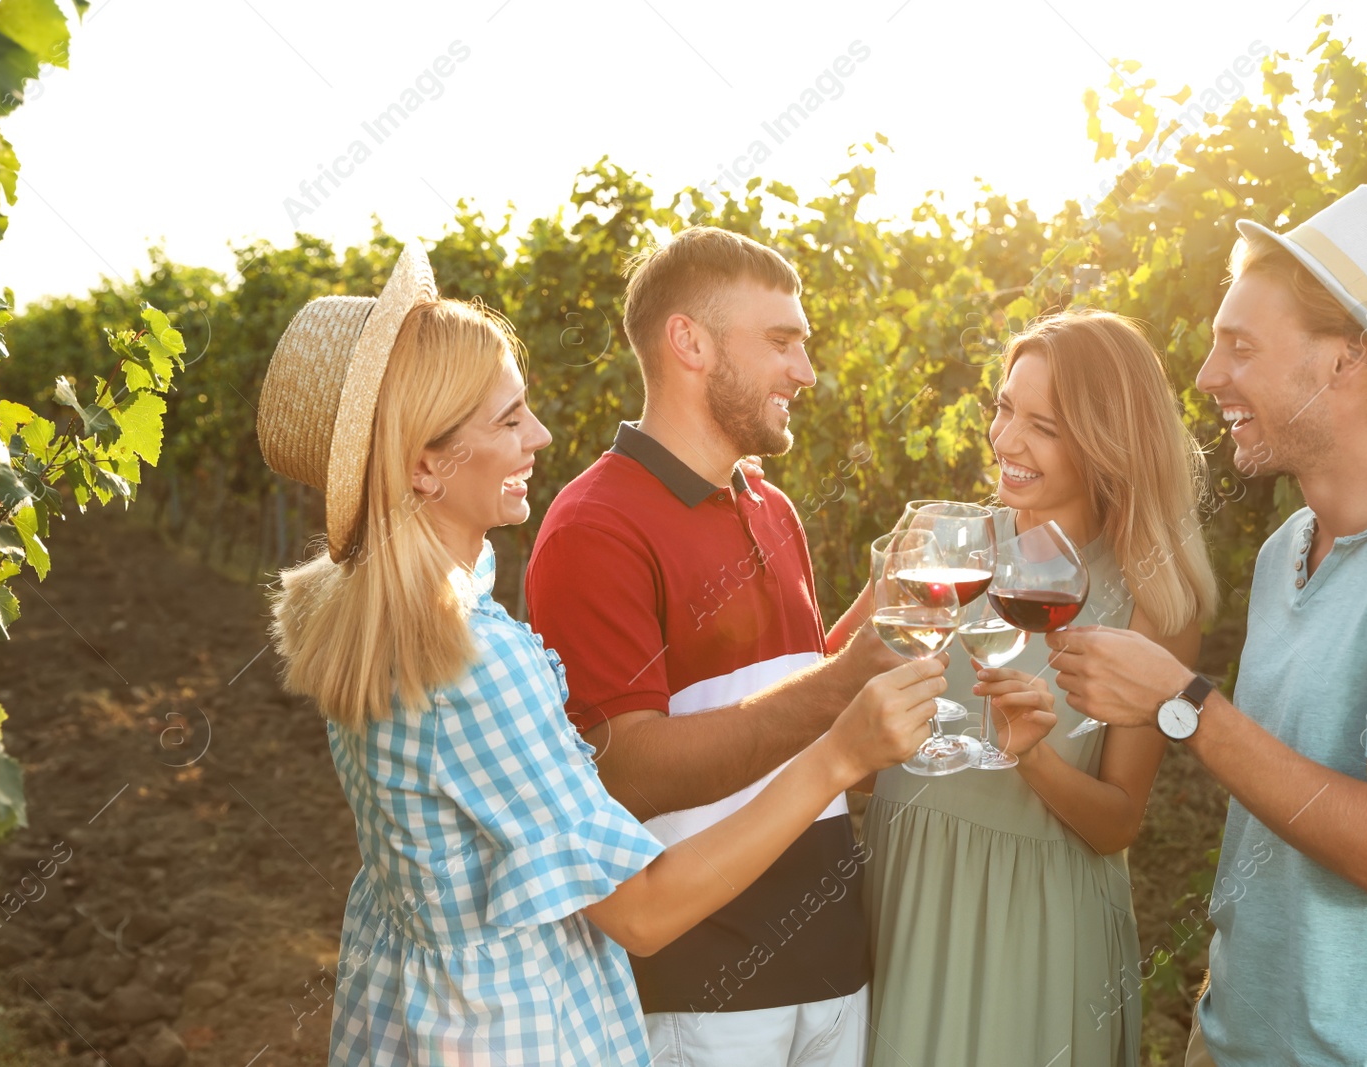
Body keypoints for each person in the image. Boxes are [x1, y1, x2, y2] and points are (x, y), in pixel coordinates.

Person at [255, 243, 945, 1066]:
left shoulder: (394, 632)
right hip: (534, 1027)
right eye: (509, 418)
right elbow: (641, 907)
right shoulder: (482, 657)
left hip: (438, 1021)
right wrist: (840, 752)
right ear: (423, 464)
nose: (540, 435)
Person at [1045, 185, 1367, 1066]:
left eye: (1239, 347)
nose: (1208, 377)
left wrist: (1185, 704)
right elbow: (1281, 810)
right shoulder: (1292, 543)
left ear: (1347, 360)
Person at [524, 226, 904, 1067]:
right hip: (707, 985)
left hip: (836, 960)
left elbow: (789, 703)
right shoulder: (596, 527)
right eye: (781, 341)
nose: (806, 371)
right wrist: (846, 677)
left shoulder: (772, 506)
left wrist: (884, 616)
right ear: (689, 341)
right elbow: (630, 767)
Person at [861, 309, 1220, 1066]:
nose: (1005, 441)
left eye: (1043, 425)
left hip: (1036, 931)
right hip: (903, 902)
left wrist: (1033, 757)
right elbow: (818, 698)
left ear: (1104, 442)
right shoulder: (939, 548)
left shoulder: (1152, 603)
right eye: (1003, 407)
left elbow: (1118, 821)